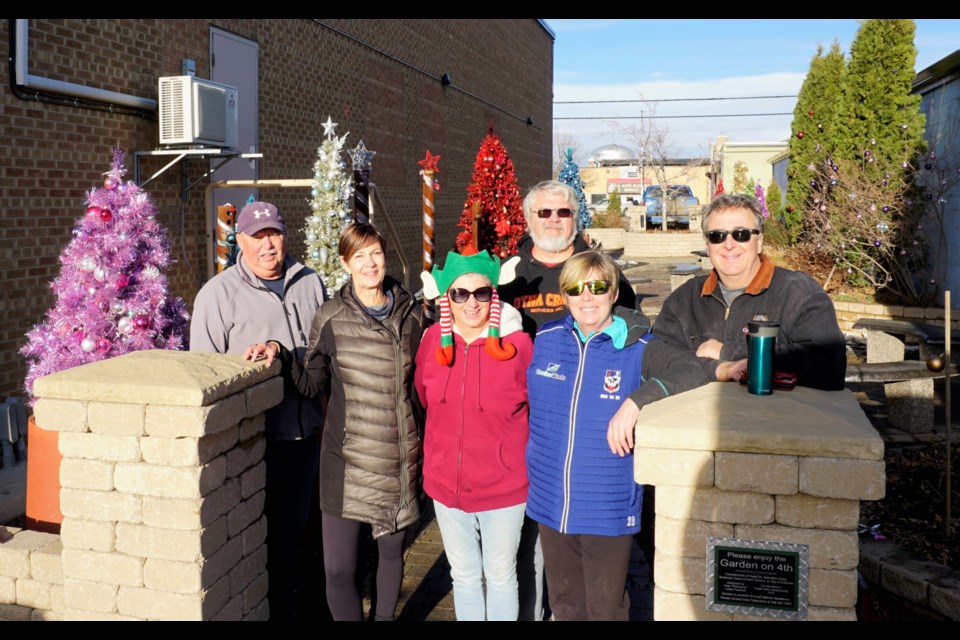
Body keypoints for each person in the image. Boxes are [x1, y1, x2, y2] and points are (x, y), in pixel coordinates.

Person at [245, 222, 425, 621]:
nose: (369, 263)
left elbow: (424, 386)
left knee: (391, 554)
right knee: (339, 569)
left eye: (375, 253)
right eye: (359, 256)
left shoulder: (413, 316)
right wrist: (281, 352)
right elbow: (313, 384)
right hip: (344, 462)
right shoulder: (330, 317)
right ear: (345, 263)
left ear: (385, 256)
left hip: (397, 458)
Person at [524, 251, 706, 621]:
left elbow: (692, 372)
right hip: (550, 499)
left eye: (597, 287)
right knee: (564, 604)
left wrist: (637, 401)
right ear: (565, 295)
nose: (586, 297)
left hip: (606, 504)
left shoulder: (637, 346)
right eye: (576, 289)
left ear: (613, 293)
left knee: (606, 608)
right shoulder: (547, 338)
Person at [496, 179, 638, 620]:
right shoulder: (506, 275)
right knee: (525, 552)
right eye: (545, 213)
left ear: (577, 218)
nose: (555, 220)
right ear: (528, 219)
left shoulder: (603, 272)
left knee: (597, 580)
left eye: (564, 212)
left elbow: (636, 343)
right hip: (524, 432)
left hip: (591, 446)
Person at [190, 200, 327, 622]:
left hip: (305, 436)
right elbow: (203, 370)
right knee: (255, 536)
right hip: (253, 441)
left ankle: (289, 606)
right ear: (241, 242)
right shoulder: (219, 294)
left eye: (275, 234)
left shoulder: (310, 283)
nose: (268, 245)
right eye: (258, 237)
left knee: (294, 535)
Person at [414, 249, 534, 621]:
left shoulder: (520, 347)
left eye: (481, 293)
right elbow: (423, 396)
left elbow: (537, 407)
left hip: (504, 486)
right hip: (446, 484)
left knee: (500, 576)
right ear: (446, 298)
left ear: (493, 295)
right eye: (459, 293)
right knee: (463, 577)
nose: (471, 303)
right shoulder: (431, 342)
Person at [651, 192, 847, 390]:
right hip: (700, 417)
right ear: (707, 245)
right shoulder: (684, 300)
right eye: (717, 236)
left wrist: (728, 353)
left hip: (779, 417)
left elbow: (828, 367)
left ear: (759, 241)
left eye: (741, 234)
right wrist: (720, 370)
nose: (729, 245)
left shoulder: (798, 294)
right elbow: (653, 359)